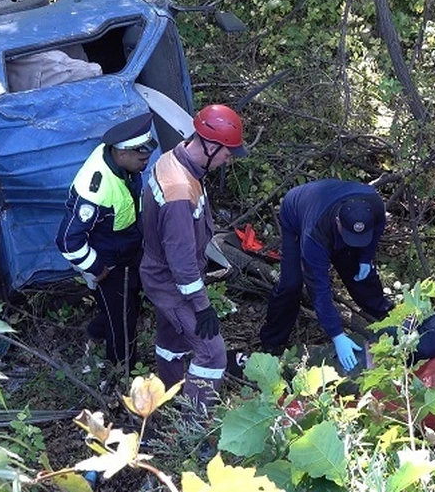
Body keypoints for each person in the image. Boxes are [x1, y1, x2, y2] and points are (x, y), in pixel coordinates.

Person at [140, 104, 248, 416]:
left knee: (172, 341)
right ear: (211, 146)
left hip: (163, 277)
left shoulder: (174, 161)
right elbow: (182, 262)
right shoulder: (179, 189)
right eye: (228, 152)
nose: (230, 158)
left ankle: (170, 399)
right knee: (213, 354)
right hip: (171, 284)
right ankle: (191, 430)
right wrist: (202, 307)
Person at [259, 180, 392, 372]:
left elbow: (377, 229)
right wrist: (337, 334)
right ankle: (271, 344)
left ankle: (389, 321)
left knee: (362, 276)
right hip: (296, 214)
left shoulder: (375, 206)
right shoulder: (314, 233)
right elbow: (319, 288)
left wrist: (365, 258)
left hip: (333, 207)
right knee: (292, 284)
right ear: (338, 221)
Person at [56, 113, 156, 368]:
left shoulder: (122, 160)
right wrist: (97, 268)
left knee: (130, 302)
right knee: (123, 322)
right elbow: (68, 240)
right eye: (143, 159)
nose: (147, 163)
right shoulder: (95, 189)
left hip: (129, 247)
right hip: (110, 262)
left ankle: (96, 332)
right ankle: (123, 371)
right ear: (122, 154)